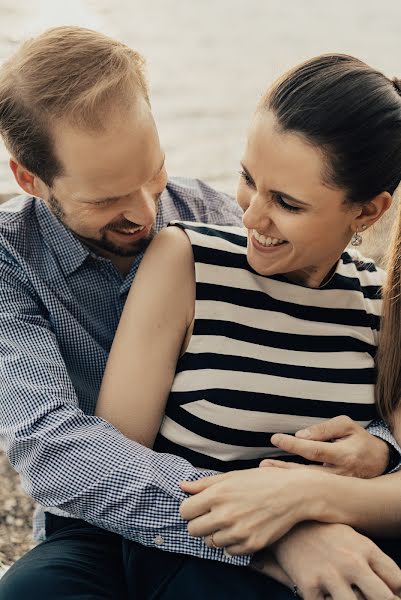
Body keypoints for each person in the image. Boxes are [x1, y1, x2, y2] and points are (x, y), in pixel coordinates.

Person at [0, 27, 398, 600]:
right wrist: (267, 531)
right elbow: (53, 447)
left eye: (153, 173)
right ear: (29, 180)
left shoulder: (210, 219)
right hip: (98, 514)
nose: (144, 212)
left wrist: (380, 447)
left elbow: (316, 330)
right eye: (104, 198)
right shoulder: (11, 261)